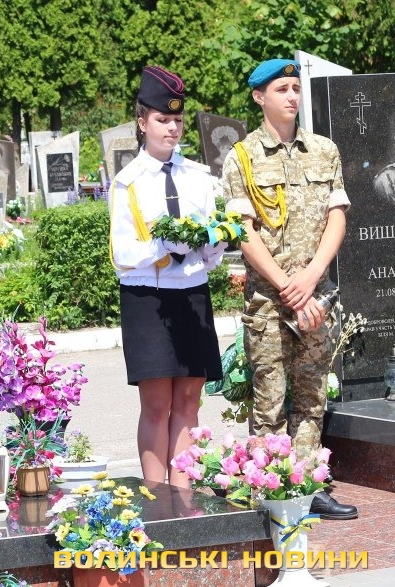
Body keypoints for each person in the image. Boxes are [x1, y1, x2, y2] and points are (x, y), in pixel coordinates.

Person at [221, 58, 357, 520]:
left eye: (296, 88)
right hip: (269, 301)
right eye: (282, 89)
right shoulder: (242, 157)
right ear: (259, 97)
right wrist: (286, 285)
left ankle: (309, 485)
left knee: (312, 395)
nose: (292, 96)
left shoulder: (324, 150)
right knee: (270, 400)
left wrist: (312, 277)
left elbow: (337, 216)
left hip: (315, 296)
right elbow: (242, 231)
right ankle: (273, 492)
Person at [108, 66, 226, 487]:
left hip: (191, 294)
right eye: (162, 119)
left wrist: (215, 243)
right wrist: (163, 246)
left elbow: (210, 251)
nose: (172, 128)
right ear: (142, 122)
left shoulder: (198, 177)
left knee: (190, 400)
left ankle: (185, 495)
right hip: (148, 299)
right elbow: (122, 255)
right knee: (157, 403)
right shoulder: (128, 183)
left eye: (177, 119)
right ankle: (158, 498)